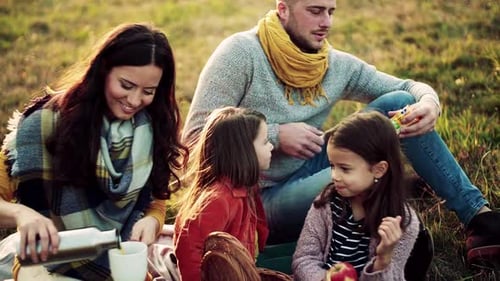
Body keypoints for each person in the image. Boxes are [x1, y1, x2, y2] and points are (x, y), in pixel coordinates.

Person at [181, 0, 499, 266]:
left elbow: (406, 88)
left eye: (331, 11)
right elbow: (194, 138)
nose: (326, 22)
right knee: (358, 174)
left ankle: (478, 218)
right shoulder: (240, 54)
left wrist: (429, 101)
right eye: (315, 10)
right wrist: (277, 135)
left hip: (310, 164)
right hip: (253, 200)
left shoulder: (331, 65)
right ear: (283, 9)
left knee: (402, 105)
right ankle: (388, 192)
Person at [0, 22, 187, 280]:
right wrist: (22, 214)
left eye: (148, 91)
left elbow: (155, 200)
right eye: (126, 85)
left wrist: (152, 221)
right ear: (103, 71)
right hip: (47, 264)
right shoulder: (46, 123)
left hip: (117, 263)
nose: (134, 101)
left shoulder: (152, 126)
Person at [292, 111, 419, 280]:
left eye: (345, 168)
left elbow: (393, 276)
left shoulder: (402, 221)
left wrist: (383, 260)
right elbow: (303, 259)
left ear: (378, 170)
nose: (334, 176)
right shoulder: (327, 204)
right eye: (332, 166)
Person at [173, 106, 273, 281]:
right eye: (265, 142)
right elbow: (190, 249)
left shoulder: (244, 187)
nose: (272, 146)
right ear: (244, 151)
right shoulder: (218, 200)